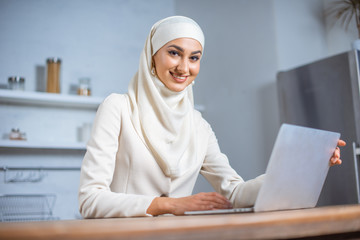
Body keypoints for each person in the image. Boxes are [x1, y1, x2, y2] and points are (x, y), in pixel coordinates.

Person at [78, 16, 346, 218]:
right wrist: (168, 205)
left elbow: (236, 193)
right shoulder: (118, 108)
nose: (184, 67)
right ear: (152, 55)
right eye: (174, 53)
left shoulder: (198, 127)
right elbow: (90, 200)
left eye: (194, 58)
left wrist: (303, 166)